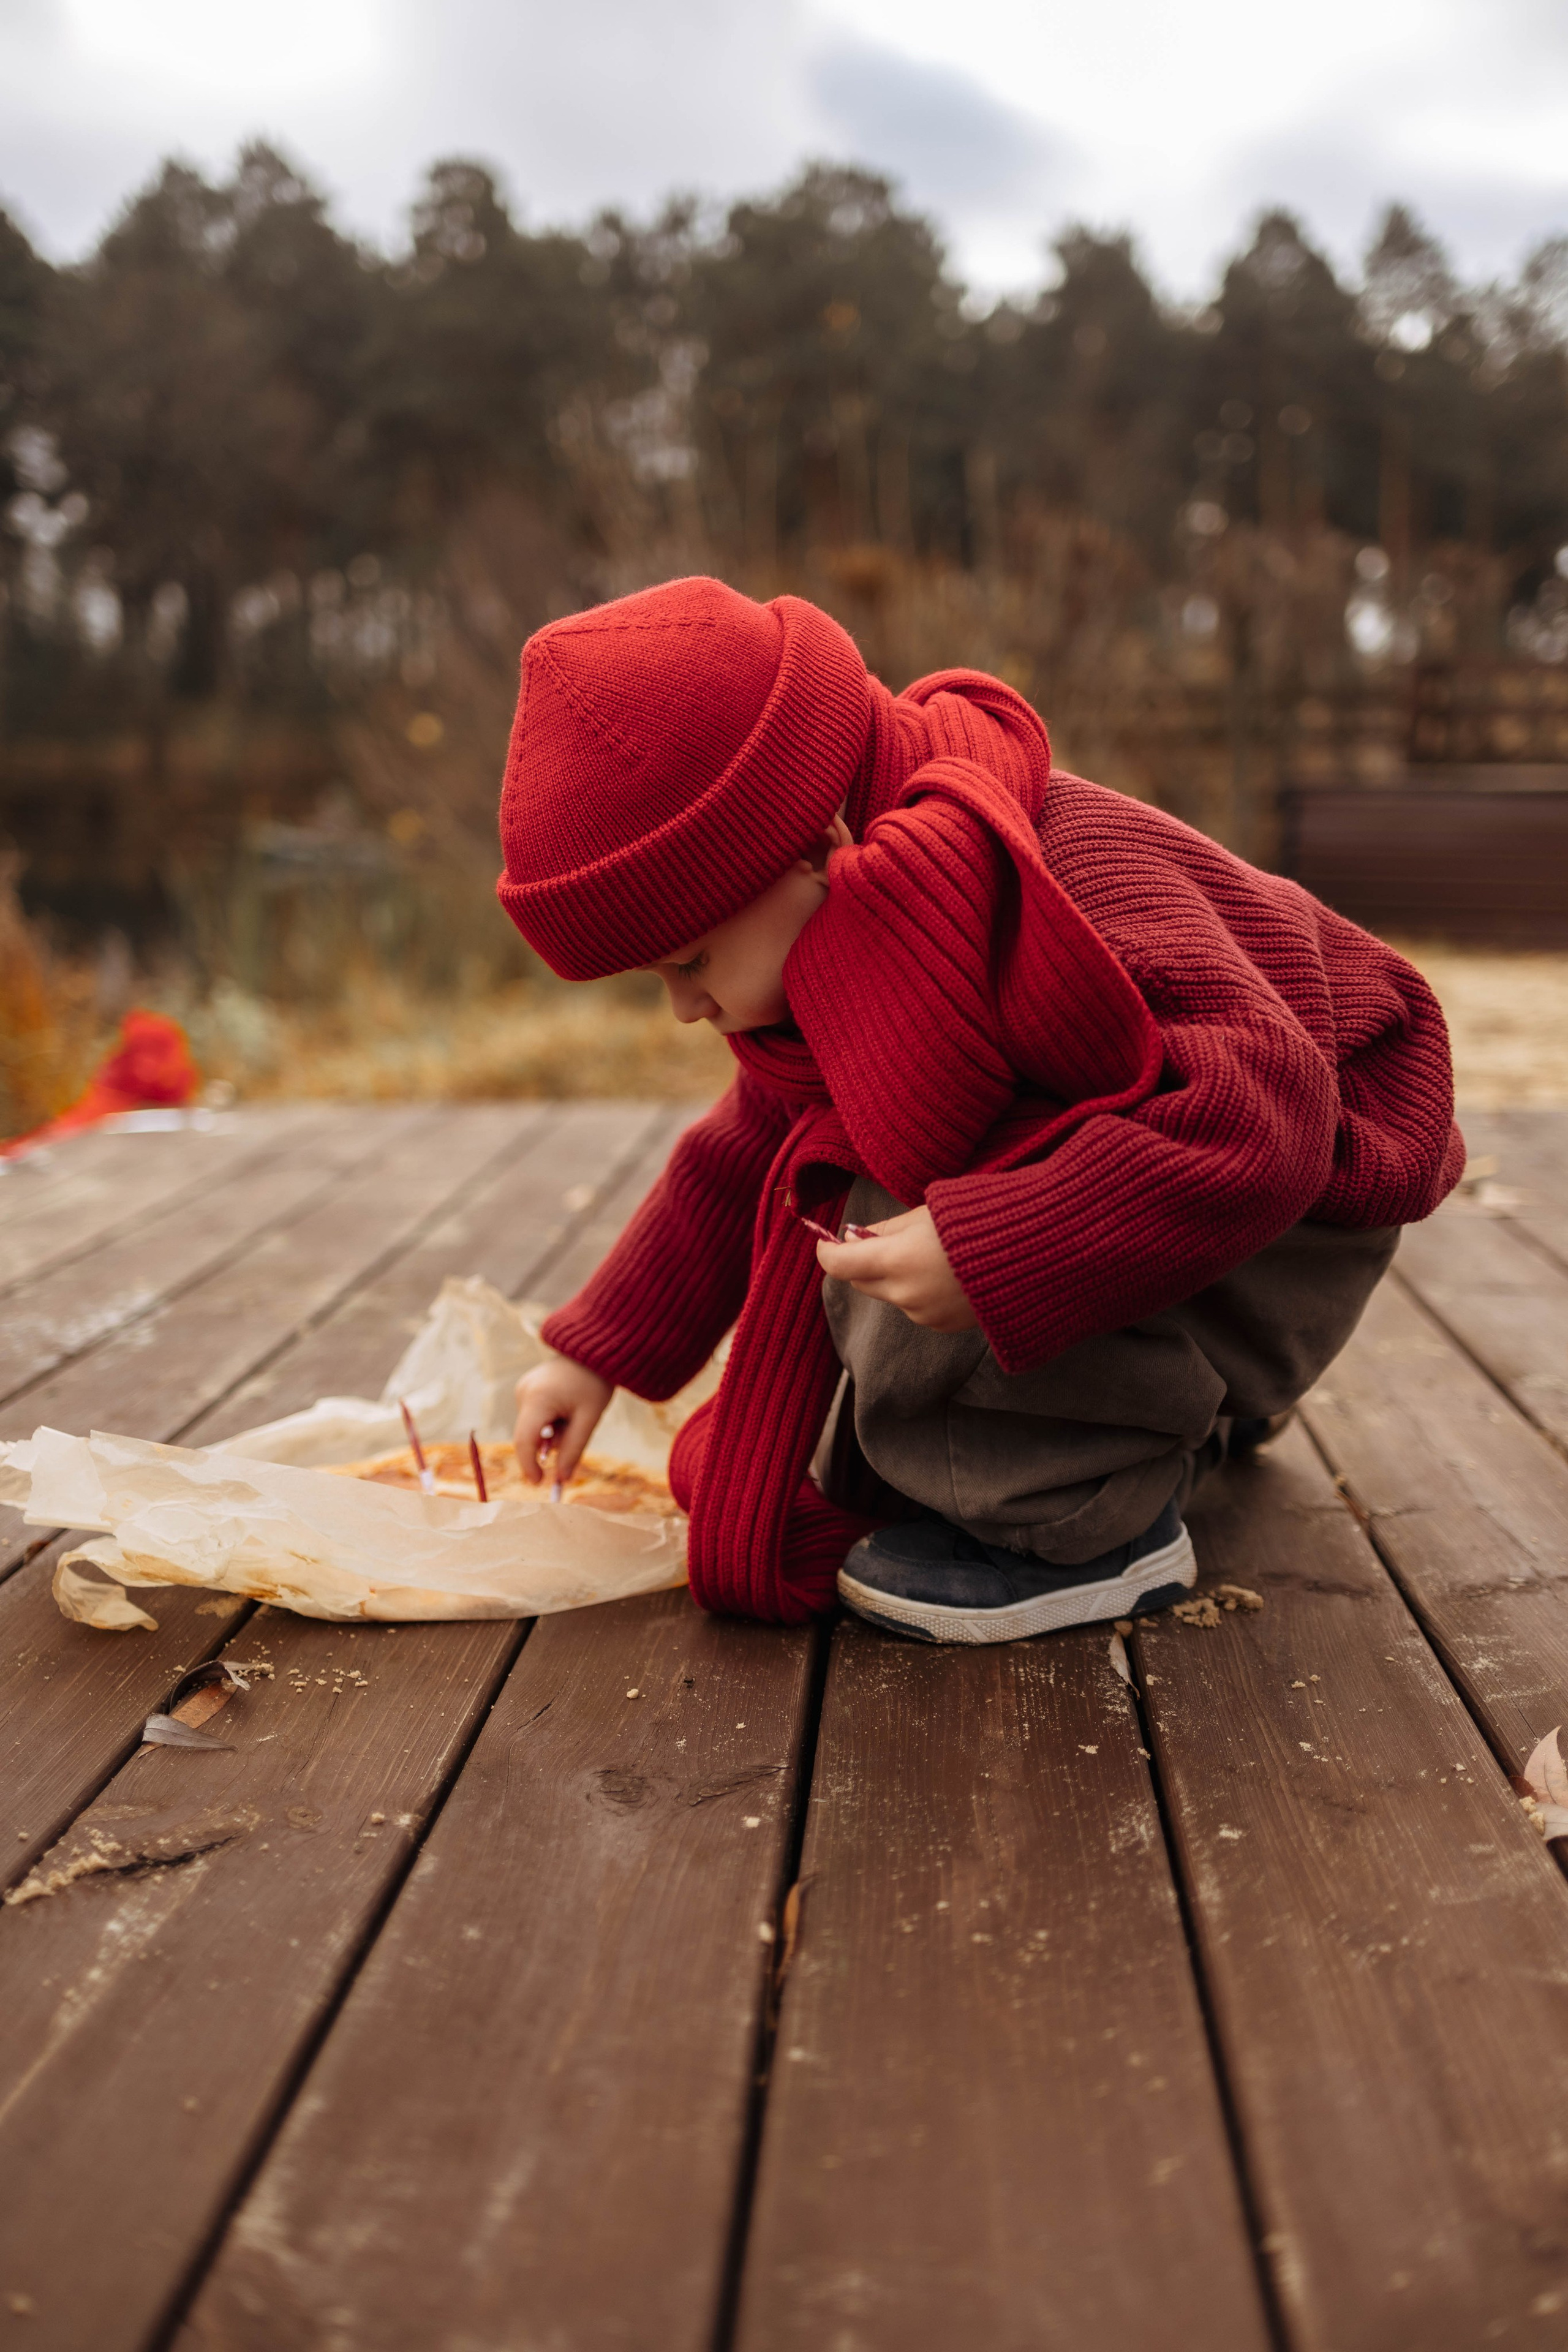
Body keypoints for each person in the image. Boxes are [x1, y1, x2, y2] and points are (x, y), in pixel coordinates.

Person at [500, 575, 1460, 1643]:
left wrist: (996, 1248)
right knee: (898, 1181)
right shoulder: (857, 918)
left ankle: (1069, 1523)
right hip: (1214, 1205)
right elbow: (750, 1148)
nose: (683, 1009)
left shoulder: (1066, 879)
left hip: (1297, 1205)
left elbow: (1264, 1126)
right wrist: (596, 1352)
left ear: (812, 844)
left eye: (688, 961)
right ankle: (1155, 1405)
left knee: (902, 1198)